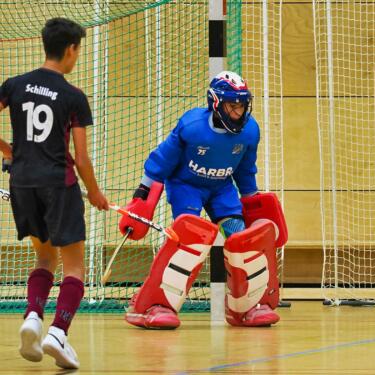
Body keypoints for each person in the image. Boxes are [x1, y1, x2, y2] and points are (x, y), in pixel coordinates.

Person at [119, 71, 286, 329]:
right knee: (189, 240)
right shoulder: (192, 127)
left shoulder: (250, 131)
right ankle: (152, 304)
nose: (238, 112)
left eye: (242, 105)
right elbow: (159, 163)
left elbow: (245, 170)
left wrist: (252, 201)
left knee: (242, 239)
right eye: (233, 105)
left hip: (222, 187)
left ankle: (247, 306)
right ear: (216, 103)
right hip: (186, 186)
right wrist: (142, 197)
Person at [0, 18, 109, 369]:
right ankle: (58, 332)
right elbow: (81, 158)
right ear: (71, 49)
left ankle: (33, 316)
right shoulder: (73, 96)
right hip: (58, 186)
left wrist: (8, 151)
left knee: (45, 258)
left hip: (22, 183)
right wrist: (94, 194)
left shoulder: (15, 85)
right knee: (74, 266)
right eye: (79, 50)